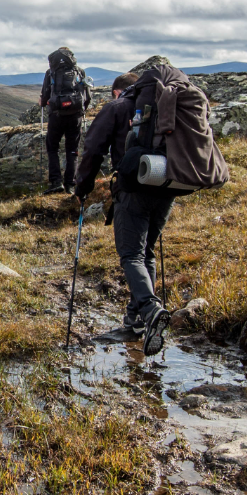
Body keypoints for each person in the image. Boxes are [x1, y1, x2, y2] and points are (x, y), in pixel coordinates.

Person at [74, 70, 172, 356]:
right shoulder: (166, 105)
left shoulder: (117, 107)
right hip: (167, 184)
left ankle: (151, 311)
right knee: (146, 252)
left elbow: (92, 149)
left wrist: (82, 188)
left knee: (131, 255)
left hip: (134, 188)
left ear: (119, 91)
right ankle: (137, 320)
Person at [40, 47, 91, 194]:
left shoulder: (50, 73)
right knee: (72, 150)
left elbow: (45, 96)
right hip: (75, 116)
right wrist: (82, 111)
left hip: (56, 115)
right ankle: (70, 185)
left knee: (52, 147)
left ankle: (56, 182)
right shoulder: (79, 71)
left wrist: (42, 102)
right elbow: (87, 96)